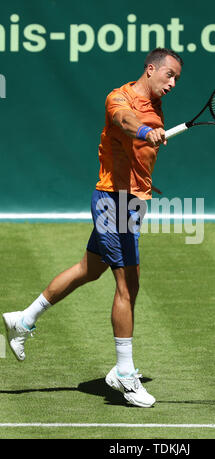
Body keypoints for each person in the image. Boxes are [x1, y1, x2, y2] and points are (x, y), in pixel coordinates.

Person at [2, 48, 183, 408]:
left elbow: (135, 153)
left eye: (177, 78)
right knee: (127, 285)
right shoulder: (120, 98)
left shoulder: (157, 106)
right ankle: (124, 374)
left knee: (89, 269)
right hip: (112, 202)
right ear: (151, 69)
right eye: (169, 75)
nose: (173, 83)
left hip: (129, 202)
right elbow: (126, 123)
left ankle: (24, 320)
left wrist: (144, 180)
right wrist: (147, 131)